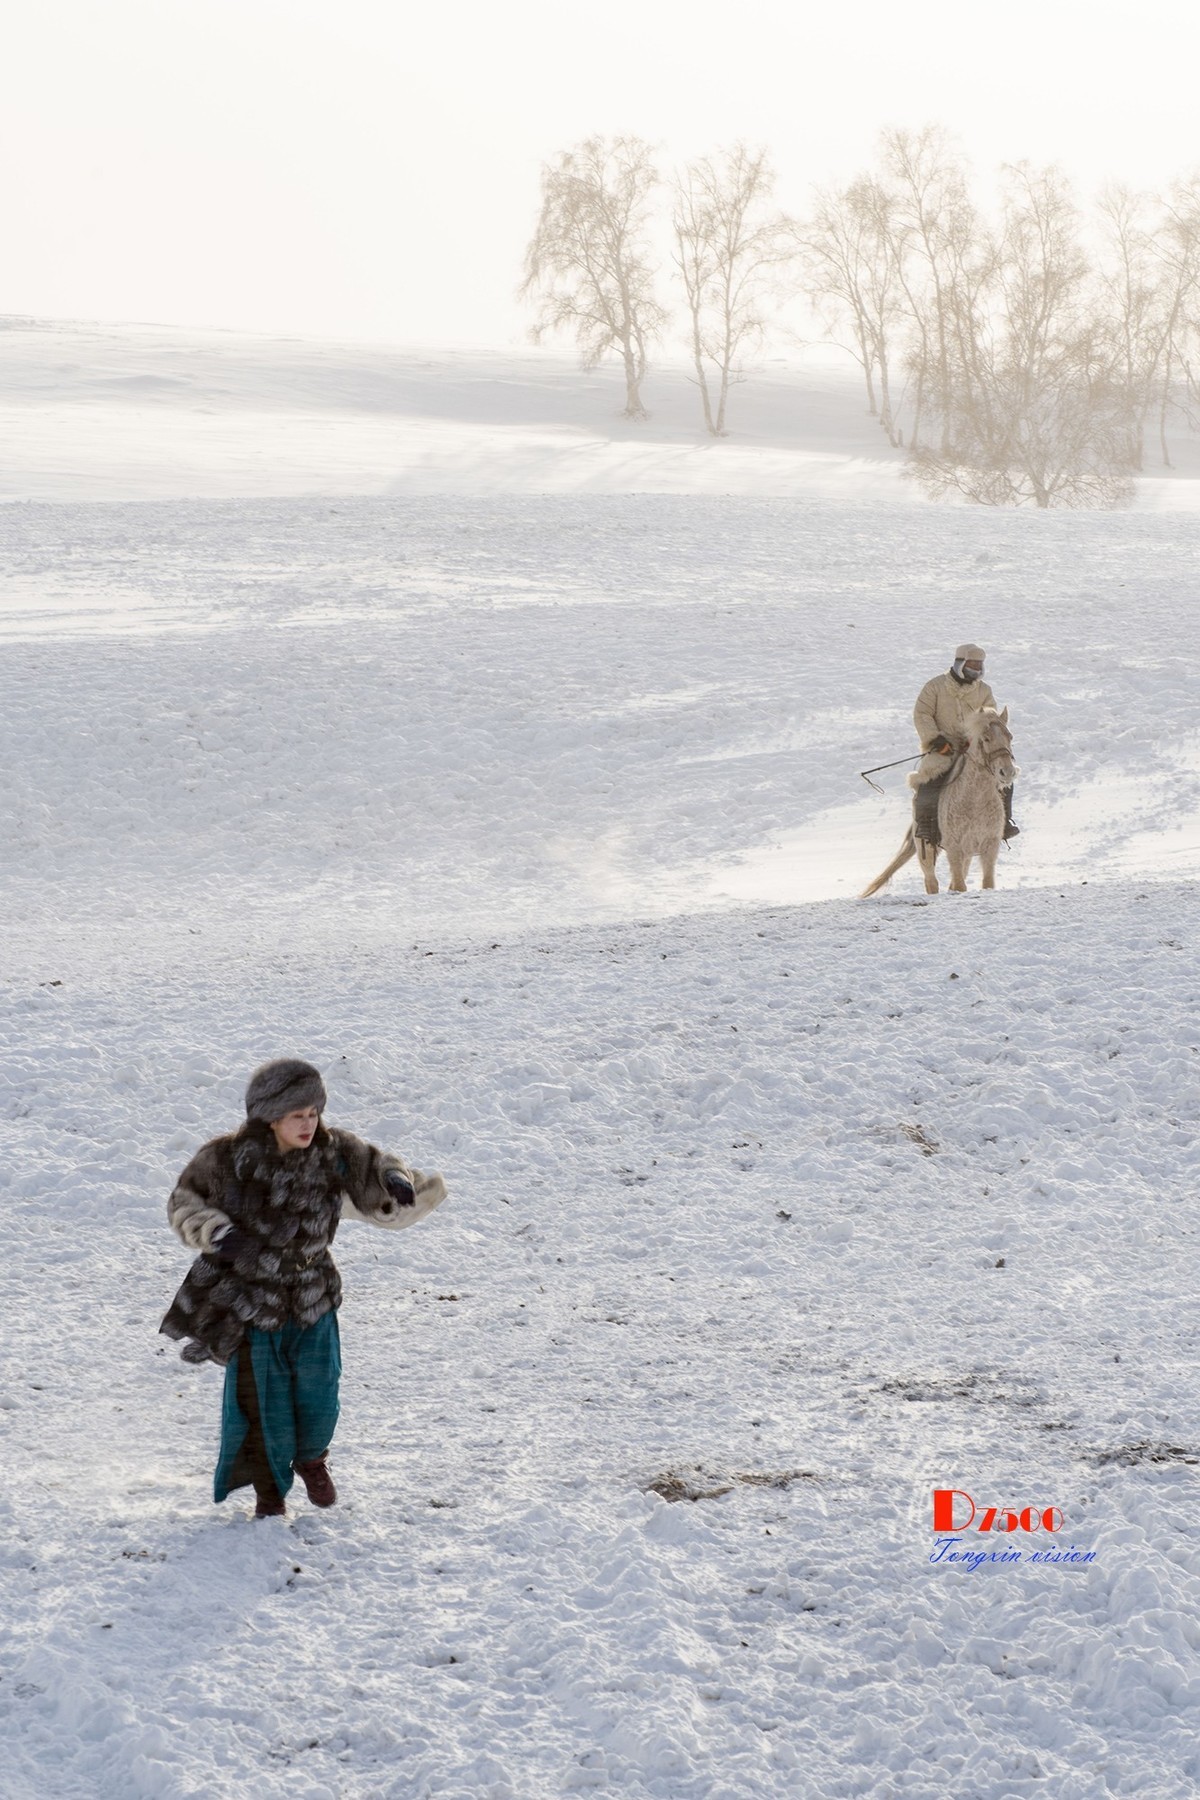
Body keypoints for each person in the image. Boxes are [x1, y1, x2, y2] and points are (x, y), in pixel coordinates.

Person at [160, 1057, 447, 1518]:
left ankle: (312, 1458)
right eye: (298, 1115)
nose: (309, 1123)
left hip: (314, 1291)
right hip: (251, 1300)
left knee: (320, 1389)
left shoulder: (334, 1151)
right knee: (261, 1402)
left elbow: (377, 1164)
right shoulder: (225, 1158)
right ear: (270, 1117)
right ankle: (269, 1495)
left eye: (314, 1113)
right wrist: (214, 1231)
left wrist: (394, 1179)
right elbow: (185, 1203)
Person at [912, 643, 1018, 844]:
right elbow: (922, 714)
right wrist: (935, 740)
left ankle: (1004, 823)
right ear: (959, 663)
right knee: (928, 782)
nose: (976, 669)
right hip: (942, 748)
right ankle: (926, 825)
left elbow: (990, 719)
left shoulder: (984, 690)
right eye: (972, 664)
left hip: (975, 748)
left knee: (1005, 776)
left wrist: (974, 742)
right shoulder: (935, 686)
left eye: (979, 665)